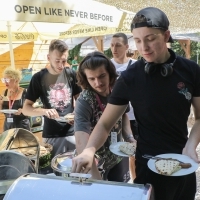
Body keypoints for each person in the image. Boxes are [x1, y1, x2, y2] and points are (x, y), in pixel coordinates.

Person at [72, 7, 200, 200]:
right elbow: (105, 124)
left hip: (183, 162)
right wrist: (89, 150)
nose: (144, 48)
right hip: (147, 167)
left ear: (166, 35)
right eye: (138, 40)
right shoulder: (130, 77)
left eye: (150, 39)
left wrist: (191, 145)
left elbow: (199, 118)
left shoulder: (191, 71)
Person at [74, 51, 135, 182]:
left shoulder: (118, 90)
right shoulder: (84, 101)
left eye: (102, 76)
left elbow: (124, 115)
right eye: (92, 79)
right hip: (96, 163)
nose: (98, 83)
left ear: (110, 73)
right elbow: (81, 141)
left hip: (119, 156)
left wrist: (129, 138)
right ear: (85, 78)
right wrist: (97, 182)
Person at [23, 39, 82, 158]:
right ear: (48, 58)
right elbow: (26, 109)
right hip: (51, 135)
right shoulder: (38, 78)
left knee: (75, 171)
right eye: (57, 61)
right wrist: (44, 111)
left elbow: (80, 100)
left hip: (73, 132)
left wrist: (77, 112)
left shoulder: (71, 74)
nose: (61, 65)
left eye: (64, 61)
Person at [0, 67, 30, 131]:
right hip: (8, 125)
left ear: (16, 80)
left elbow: (31, 109)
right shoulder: (4, 92)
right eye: (3, 80)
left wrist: (23, 110)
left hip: (22, 125)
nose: (5, 82)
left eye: (7, 80)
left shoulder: (25, 92)